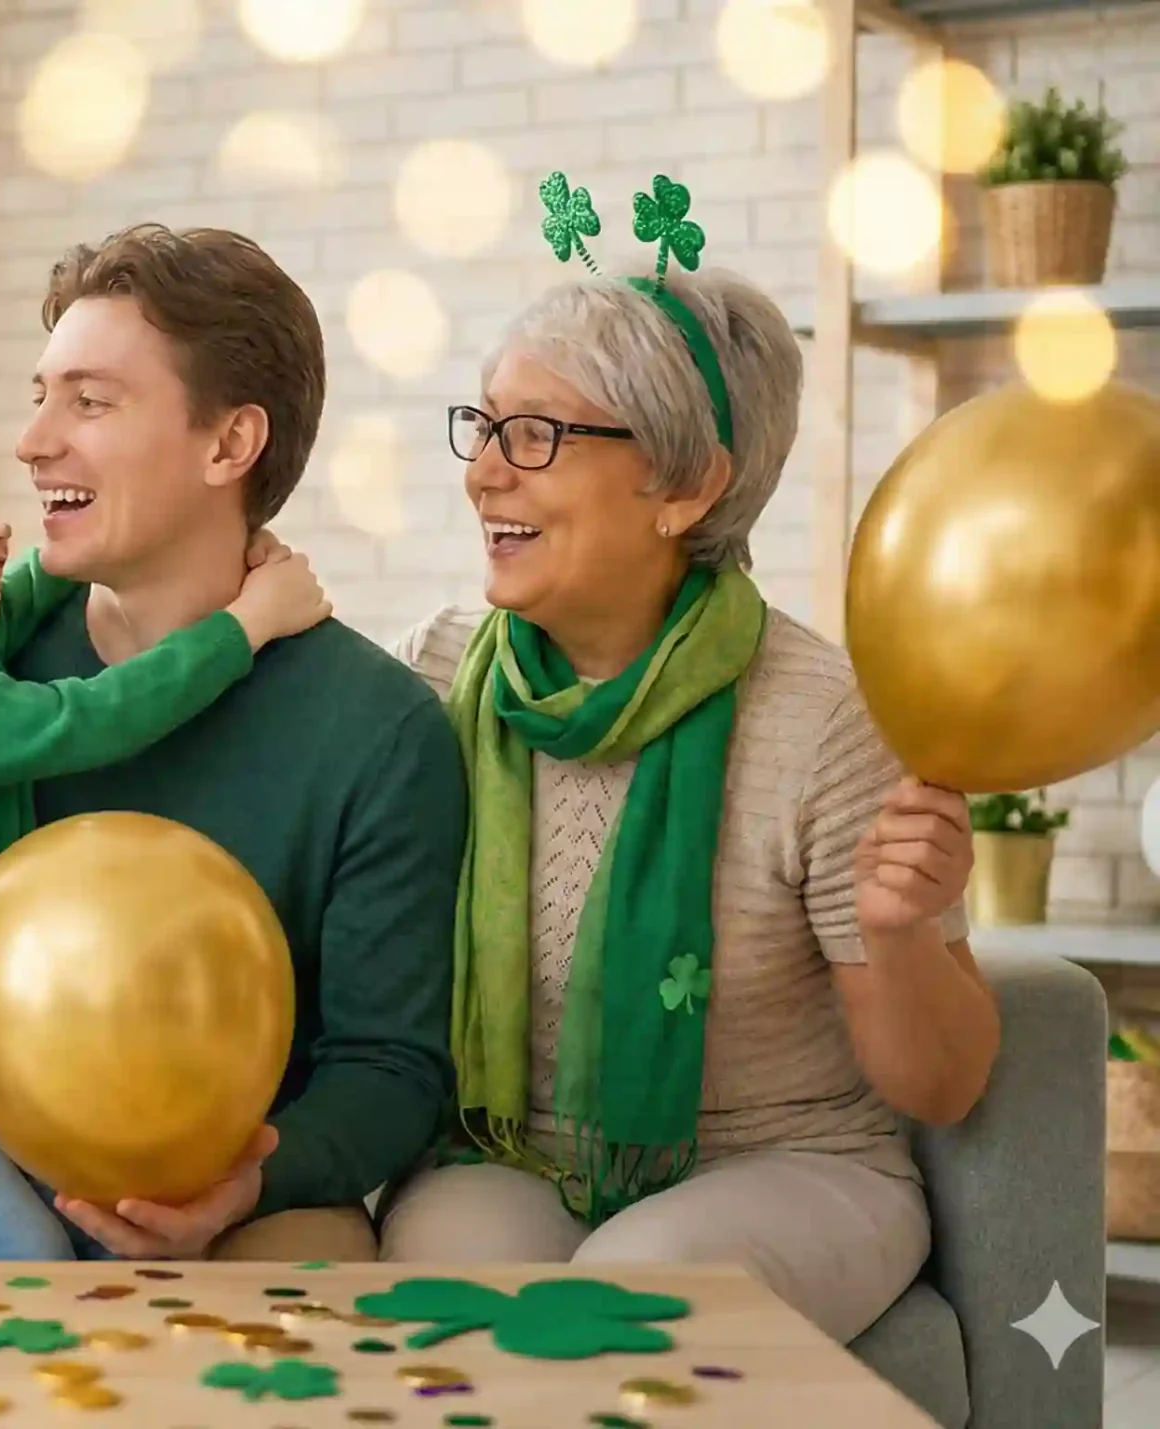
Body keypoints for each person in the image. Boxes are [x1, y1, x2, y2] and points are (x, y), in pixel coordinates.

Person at [0, 226, 467, 1262]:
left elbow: (389, 1070)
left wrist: (252, 1174)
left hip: (229, 1165)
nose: (28, 441)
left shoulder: (379, 728)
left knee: (303, 1274)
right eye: (39, 394)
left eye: (88, 399)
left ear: (228, 445)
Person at [375, 259, 996, 1346]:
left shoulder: (821, 719)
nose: (483, 474)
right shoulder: (434, 676)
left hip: (791, 1161)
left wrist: (900, 936)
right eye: (482, 425)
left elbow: (942, 1085)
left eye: (538, 436)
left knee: (628, 1294)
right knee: (445, 1299)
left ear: (687, 488)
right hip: (514, 1149)